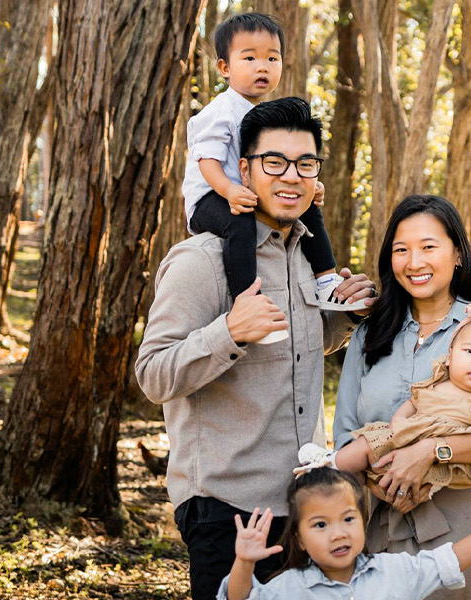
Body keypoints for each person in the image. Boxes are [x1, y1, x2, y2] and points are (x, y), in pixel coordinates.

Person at [135, 97, 377, 600]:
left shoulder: (307, 261)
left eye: (305, 164)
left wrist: (348, 318)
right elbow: (153, 375)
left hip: (307, 504)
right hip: (226, 508)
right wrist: (228, 332)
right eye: (275, 162)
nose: (292, 176)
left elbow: (296, 349)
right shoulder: (200, 260)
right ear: (244, 169)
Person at [333, 195, 471, 599]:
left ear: (457, 253)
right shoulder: (369, 333)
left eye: (429, 247)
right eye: (401, 250)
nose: (414, 262)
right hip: (376, 517)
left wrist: (430, 452)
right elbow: (345, 433)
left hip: (456, 522)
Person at [182, 14, 361, 348]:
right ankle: (248, 300)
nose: (261, 66)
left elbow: (280, 166)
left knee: (307, 210)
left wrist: (307, 182)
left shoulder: (264, 115)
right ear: (224, 68)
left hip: (242, 190)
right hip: (209, 196)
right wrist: (229, 190)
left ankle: (325, 279)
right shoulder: (218, 113)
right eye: (249, 57)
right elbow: (206, 162)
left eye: (271, 58)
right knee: (241, 223)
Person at [217, 467, 471, 600]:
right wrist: (244, 562)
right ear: (298, 539)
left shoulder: (394, 570)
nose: (338, 534)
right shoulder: (291, 588)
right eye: (320, 525)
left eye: (348, 519)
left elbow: (448, 561)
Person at [333, 316, 471, 514]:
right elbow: (413, 402)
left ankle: (332, 467)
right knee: (367, 445)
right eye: (469, 352)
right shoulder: (436, 384)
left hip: (442, 475)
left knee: (420, 476)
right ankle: (328, 465)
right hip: (402, 444)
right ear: (449, 357)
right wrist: (398, 420)